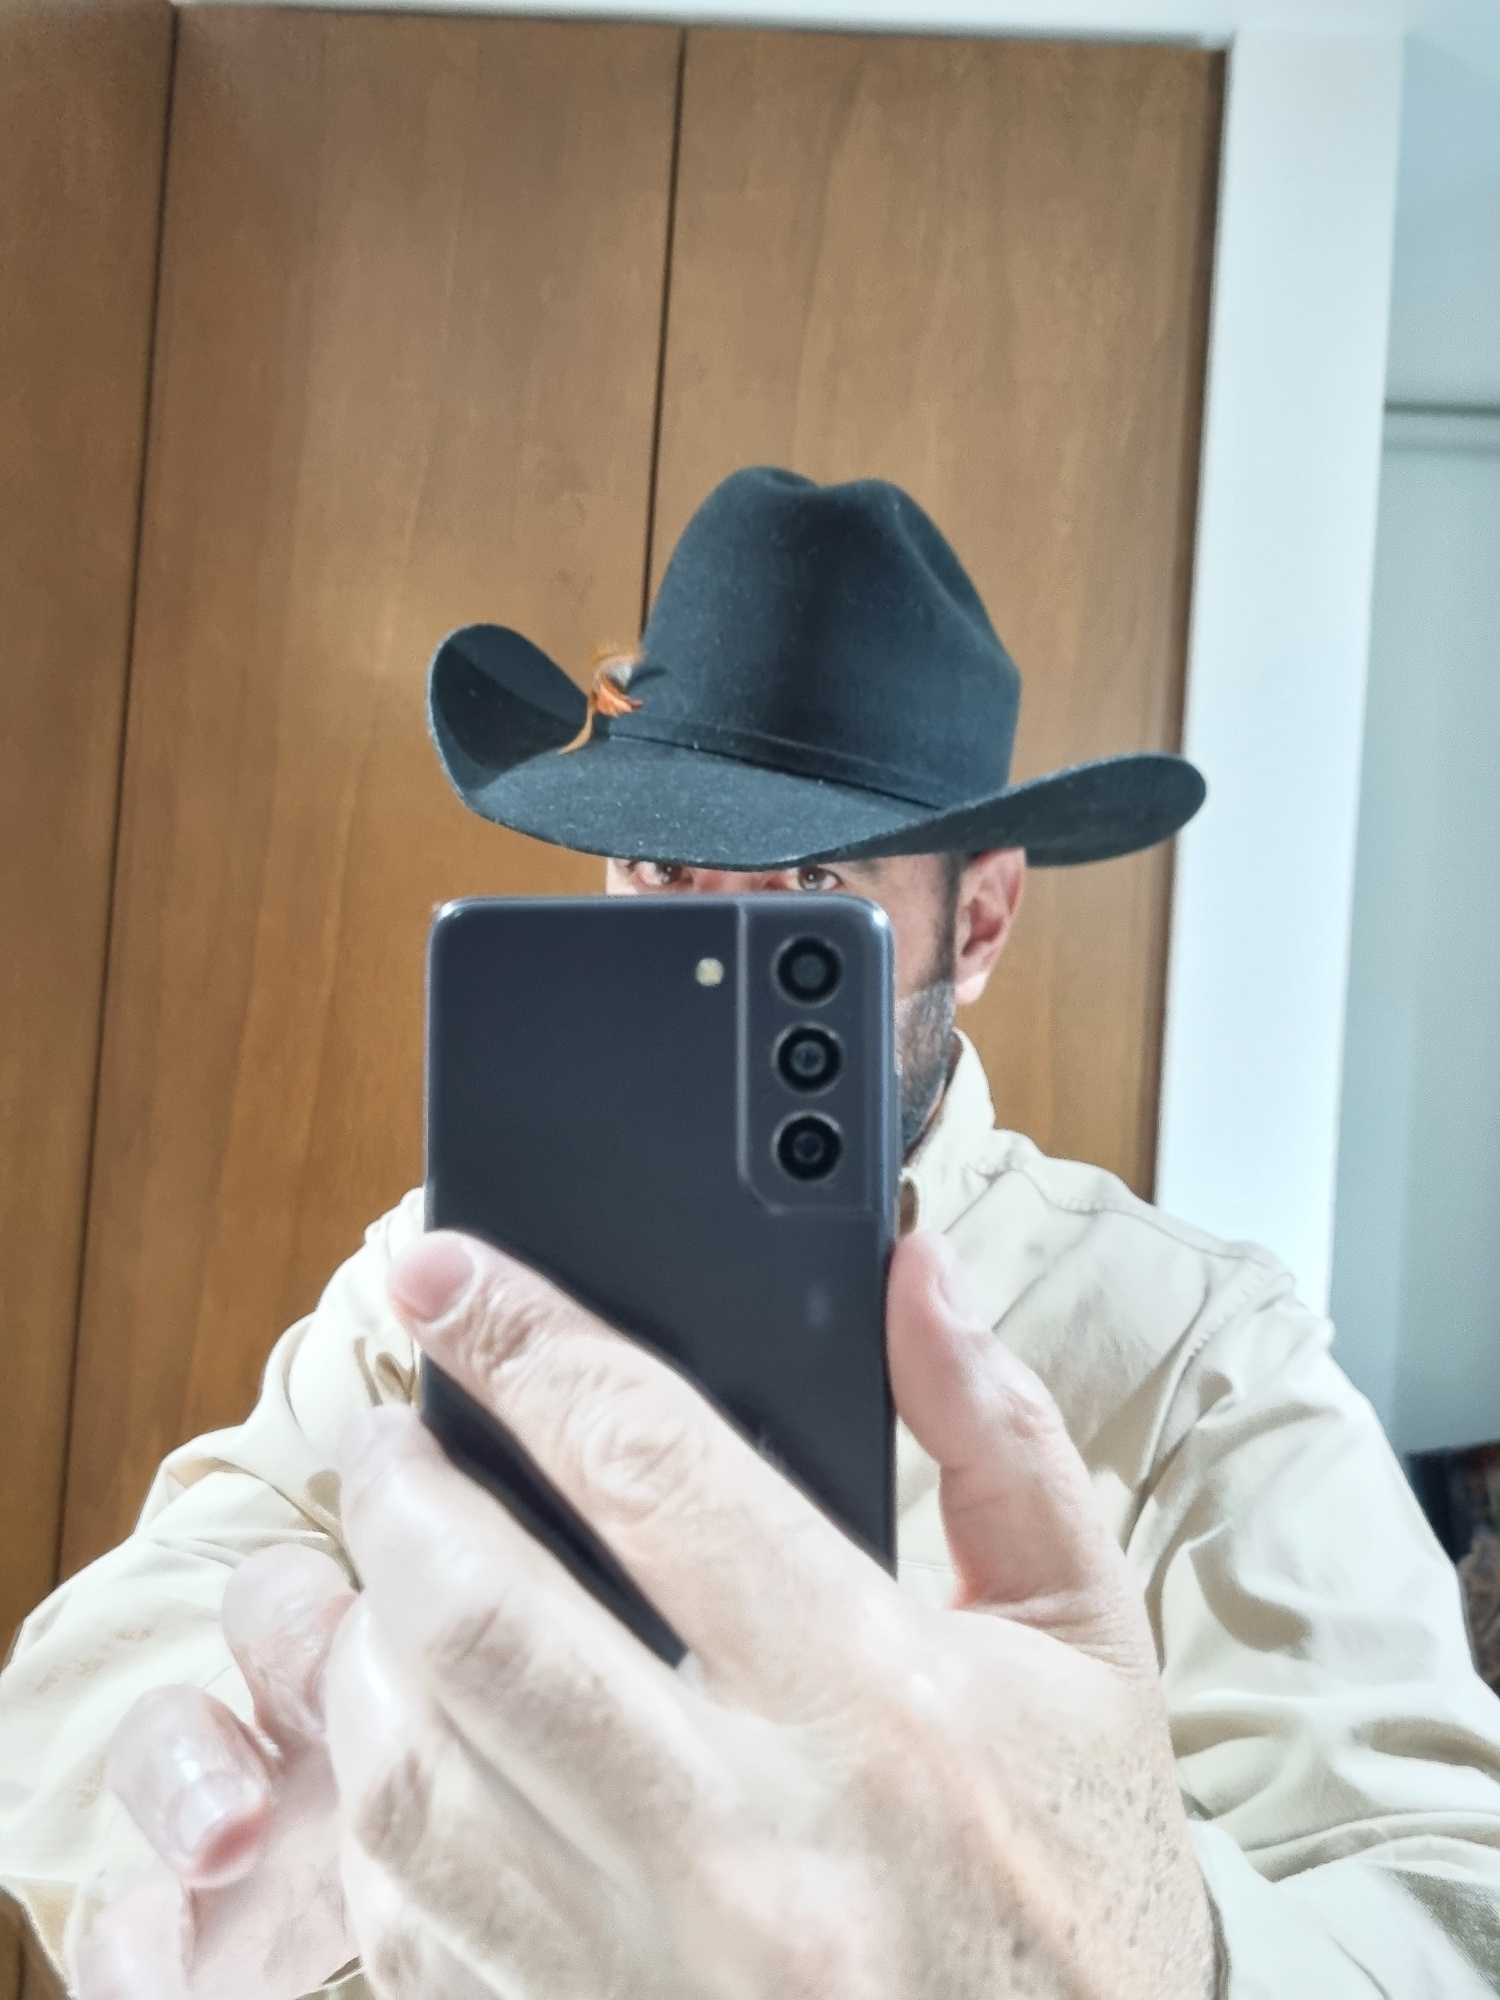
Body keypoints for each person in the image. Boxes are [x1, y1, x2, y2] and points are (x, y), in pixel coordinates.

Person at [3, 469, 1498, 1997]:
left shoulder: (1195, 1356)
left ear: (978, 923)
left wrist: (1147, 1936)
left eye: (808, 889)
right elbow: (99, 1657)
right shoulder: (443, 1271)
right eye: (659, 868)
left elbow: (1452, 1912)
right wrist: (242, 1835)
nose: (703, 945)